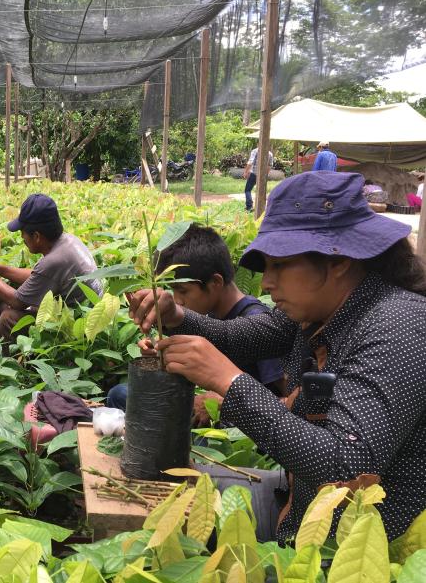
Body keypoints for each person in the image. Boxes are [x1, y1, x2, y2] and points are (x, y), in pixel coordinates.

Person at [129, 171, 426, 544]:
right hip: (294, 502)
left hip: (336, 550)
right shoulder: (319, 311)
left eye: (279, 265)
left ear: (338, 260)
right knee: (160, 491)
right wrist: (176, 317)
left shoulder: (397, 326)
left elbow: (347, 465)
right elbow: (240, 336)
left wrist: (229, 383)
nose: (266, 283)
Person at [106, 224, 285, 425]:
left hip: (231, 425)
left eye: (183, 291)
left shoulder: (257, 319)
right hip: (204, 406)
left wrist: (224, 402)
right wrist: (164, 354)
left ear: (215, 283)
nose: (177, 300)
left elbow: (281, 395)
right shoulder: (209, 314)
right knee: (120, 394)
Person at [0, 193, 102, 339]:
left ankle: (17, 361)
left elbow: (17, 301)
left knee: (8, 317)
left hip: (81, 325)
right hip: (88, 311)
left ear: (37, 236)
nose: (21, 237)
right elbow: (38, 275)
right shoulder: (68, 241)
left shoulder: (54, 260)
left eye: (22, 232)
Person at [243, 146, 274, 212]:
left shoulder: (255, 151)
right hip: (263, 175)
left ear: (258, 143)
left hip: (254, 174)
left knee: (247, 190)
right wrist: (266, 175)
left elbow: (250, 162)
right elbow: (270, 165)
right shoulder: (270, 153)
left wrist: (246, 172)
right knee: (262, 191)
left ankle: (249, 207)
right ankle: (263, 207)